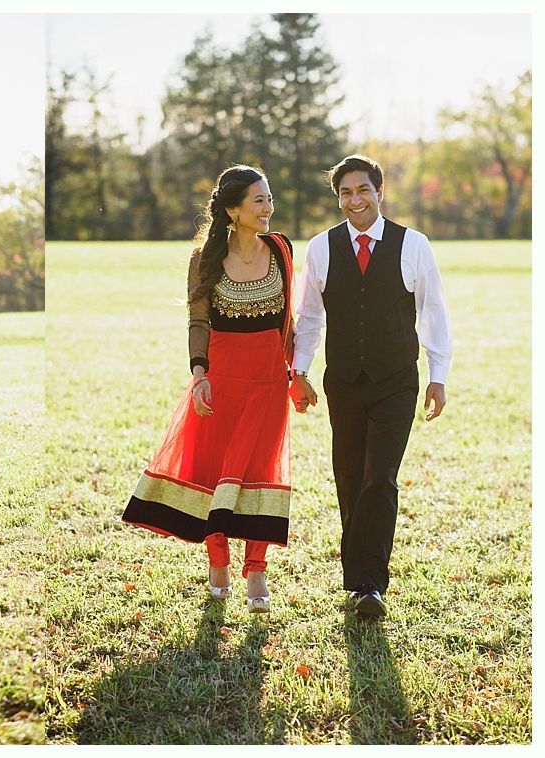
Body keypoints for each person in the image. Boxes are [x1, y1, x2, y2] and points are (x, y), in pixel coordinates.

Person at [123, 165, 299, 614]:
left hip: (268, 381)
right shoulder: (204, 257)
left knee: (261, 469)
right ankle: (217, 561)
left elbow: (288, 322)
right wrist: (199, 373)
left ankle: (256, 569)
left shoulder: (281, 249)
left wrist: (297, 373)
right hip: (220, 380)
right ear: (233, 209)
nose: (268, 207)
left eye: (269, 197)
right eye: (258, 200)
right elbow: (197, 319)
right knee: (215, 471)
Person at [289, 154, 452, 617]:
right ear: (338, 198)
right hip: (343, 381)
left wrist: (438, 377)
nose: (354, 200)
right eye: (345, 192)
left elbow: (433, 311)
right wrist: (298, 371)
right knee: (349, 474)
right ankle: (359, 578)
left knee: (379, 477)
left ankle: (370, 584)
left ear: (379, 192)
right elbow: (311, 317)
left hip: (396, 381)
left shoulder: (413, 245)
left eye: (363, 190)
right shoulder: (322, 247)